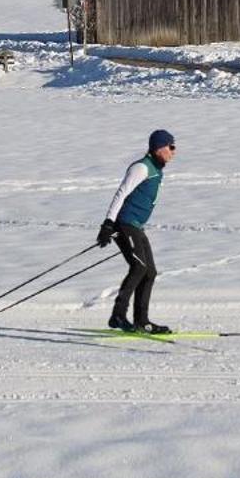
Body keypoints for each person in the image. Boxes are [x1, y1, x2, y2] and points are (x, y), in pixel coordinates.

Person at [95, 129, 177, 334]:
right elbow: (121, 193)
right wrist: (108, 224)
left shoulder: (156, 169)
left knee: (149, 272)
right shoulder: (141, 167)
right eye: (171, 147)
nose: (174, 151)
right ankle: (118, 315)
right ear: (159, 148)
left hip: (136, 226)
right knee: (139, 267)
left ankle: (142, 321)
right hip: (124, 224)